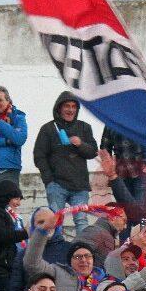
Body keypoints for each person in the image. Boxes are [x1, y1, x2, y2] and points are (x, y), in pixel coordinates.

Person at [33, 92, 99, 235]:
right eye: (67, 106)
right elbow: (39, 156)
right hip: (57, 185)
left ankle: (83, 250)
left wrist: (80, 144)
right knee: (55, 221)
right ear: (59, 108)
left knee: (81, 220)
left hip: (80, 186)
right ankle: (55, 252)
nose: (70, 110)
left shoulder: (84, 127)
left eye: (74, 106)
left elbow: (93, 152)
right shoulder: (48, 129)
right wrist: (49, 180)